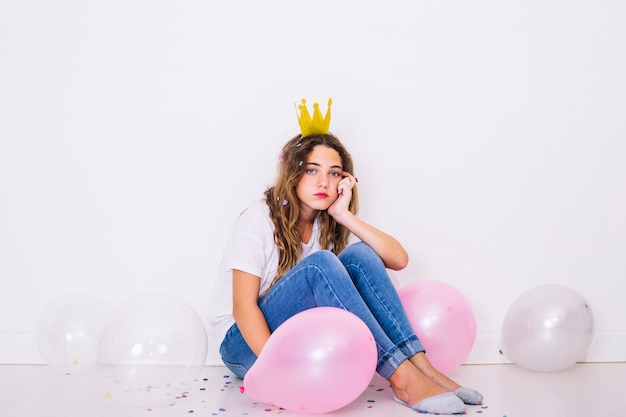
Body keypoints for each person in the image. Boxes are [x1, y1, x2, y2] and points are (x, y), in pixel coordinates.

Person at [209, 99, 483, 415]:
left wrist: (344, 215)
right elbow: (243, 308)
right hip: (244, 345)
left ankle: (424, 369)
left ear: (345, 181)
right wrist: (278, 368)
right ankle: (403, 378)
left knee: (360, 255)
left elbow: (398, 259)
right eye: (311, 170)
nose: (323, 182)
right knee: (321, 265)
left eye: (334, 173)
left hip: (296, 340)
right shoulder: (259, 218)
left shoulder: (328, 221)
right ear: (292, 174)